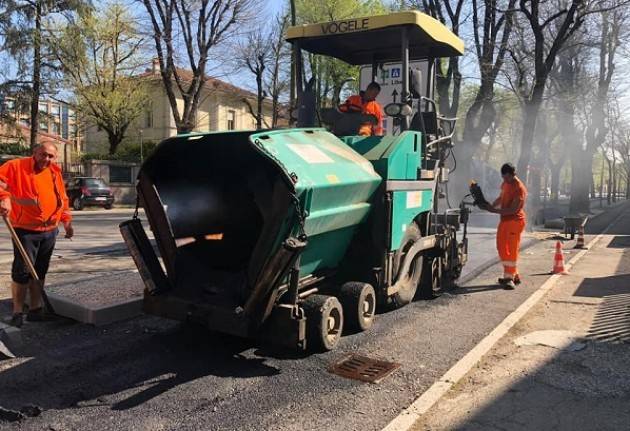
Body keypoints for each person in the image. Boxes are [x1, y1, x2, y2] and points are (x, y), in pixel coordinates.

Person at [0, 143, 74, 327]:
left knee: (40, 270)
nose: (46, 159)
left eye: (50, 156)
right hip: (25, 231)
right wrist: (4, 198)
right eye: (43, 155)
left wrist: (66, 221)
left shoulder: (54, 172)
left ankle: (35, 310)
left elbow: (62, 199)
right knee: (22, 272)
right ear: (35, 152)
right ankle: (17, 312)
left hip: (49, 231)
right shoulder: (16, 166)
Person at [480, 163, 527, 290]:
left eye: (507, 178)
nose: (505, 180)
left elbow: (513, 210)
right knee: (501, 247)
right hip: (505, 220)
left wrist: (494, 211)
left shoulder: (519, 189)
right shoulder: (506, 183)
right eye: (503, 178)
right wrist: (490, 206)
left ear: (513, 174)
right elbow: (501, 198)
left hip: (515, 221)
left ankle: (509, 277)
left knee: (511, 249)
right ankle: (513, 274)